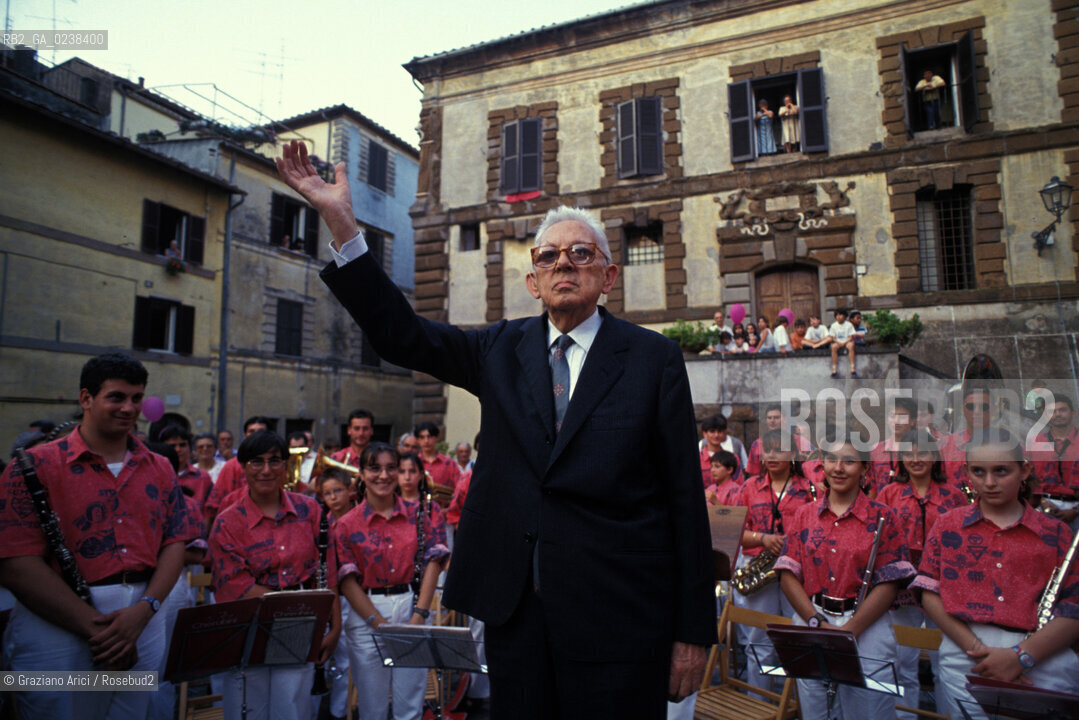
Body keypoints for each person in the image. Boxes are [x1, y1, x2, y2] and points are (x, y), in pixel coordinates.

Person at [279, 138, 714, 719]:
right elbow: (400, 335)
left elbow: (685, 498)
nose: (564, 264)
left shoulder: (652, 359)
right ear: (533, 281)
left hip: (620, 614)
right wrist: (341, 224)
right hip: (518, 611)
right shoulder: (498, 349)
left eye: (582, 255)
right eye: (549, 256)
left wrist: (692, 631)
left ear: (608, 275)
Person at [0, 353, 195, 720]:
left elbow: (174, 543)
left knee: (134, 714)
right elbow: (14, 564)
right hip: (57, 625)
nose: (129, 408)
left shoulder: (162, 466)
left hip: (142, 620)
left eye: (137, 398)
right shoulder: (33, 466)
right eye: (117, 397)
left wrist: (144, 611)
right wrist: (99, 631)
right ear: (85, 398)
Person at [912, 427, 1079, 719]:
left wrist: (1022, 657)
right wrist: (976, 648)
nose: (989, 483)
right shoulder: (948, 525)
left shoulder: (1057, 533)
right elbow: (929, 591)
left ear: (1024, 469)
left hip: (1041, 657)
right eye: (978, 472)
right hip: (966, 654)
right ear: (966, 472)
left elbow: (1074, 607)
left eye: (1001, 471)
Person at [775, 433, 915, 720]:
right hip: (813, 620)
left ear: (865, 468)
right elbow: (788, 574)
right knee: (816, 711)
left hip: (866, 625)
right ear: (822, 464)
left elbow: (888, 584)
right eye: (831, 459)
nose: (839, 468)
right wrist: (817, 622)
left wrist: (850, 629)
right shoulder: (804, 515)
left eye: (849, 461)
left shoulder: (885, 517)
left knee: (868, 713)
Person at [208, 430, 340, 720]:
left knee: (292, 709)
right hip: (249, 625)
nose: (266, 470)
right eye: (257, 462)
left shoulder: (311, 510)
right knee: (249, 710)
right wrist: (298, 604)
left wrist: (335, 625)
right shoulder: (227, 522)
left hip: (301, 624)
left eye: (274, 461)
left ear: (285, 466)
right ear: (242, 466)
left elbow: (327, 571)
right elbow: (235, 587)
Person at [333, 443, 449, 720]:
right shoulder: (346, 524)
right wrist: (379, 624)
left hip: (412, 607)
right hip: (367, 614)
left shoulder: (419, 514)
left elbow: (434, 561)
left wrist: (420, 615)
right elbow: (347, 581)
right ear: (360, 473)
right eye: (374, 468)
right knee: (372, 709)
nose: (383, 476)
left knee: (409, 706)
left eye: (390, 468)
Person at [876, 429, 968, 718]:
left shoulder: (954, 496)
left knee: (947, 663)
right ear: (901, 458)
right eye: (909, 453)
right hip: (902, 589)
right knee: (903, 662)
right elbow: (880, 541)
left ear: (935, 457)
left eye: (923, 452)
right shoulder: (888, 494)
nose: (916, 459)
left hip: (943, 588)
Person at [731, 429, 818, 697]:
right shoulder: (748, 487)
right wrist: (762, 538)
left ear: (792, 454)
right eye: (766, 450)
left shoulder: (809, 490)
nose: (771, 456)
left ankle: (800, 705)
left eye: (779, 449)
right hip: (762, 571)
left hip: (799, 573)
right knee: (760, 642)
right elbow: (734, 531)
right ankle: (758, 704)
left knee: (802, 640)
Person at [318, 467, 356, 720]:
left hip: (353, 596)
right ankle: (333, 709)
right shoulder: (322, 524)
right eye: (327, 493)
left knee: (348, 656)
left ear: (350, 491)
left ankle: (342, 709)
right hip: (331, 596)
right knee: (333, 654)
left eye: (337, 491)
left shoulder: (358, 520)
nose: (333, 498)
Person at [204, 416, 271, 521]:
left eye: (261, 431)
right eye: (252, 431)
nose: (256, 435)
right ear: (245, 436)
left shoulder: (277, 466)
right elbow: (214, 505)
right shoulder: (231, 466)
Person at [1027, 396, 1079, 530]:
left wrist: (1076, 510)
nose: (1058, 414)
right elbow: (1031, 477)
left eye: (1062, 410)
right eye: (1052, 411)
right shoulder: (1035, 442)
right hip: (1046, 505)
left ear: (1073, 413)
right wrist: (1043, 502)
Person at [865, 397, 916, 496]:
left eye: (902, 416)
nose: (896, 421)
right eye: (892, 416)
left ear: (912, 421)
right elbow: (872, 488)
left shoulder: (921, 451)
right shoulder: (876, 450)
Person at [161, 425, 213, 510]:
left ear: (189, 447)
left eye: (182, 445)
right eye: (173, 446)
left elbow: (208, 513)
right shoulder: (158, 477)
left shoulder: (203, 477)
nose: (178, 449)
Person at [699, 413, 748, 483]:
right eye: (712, 431)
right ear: (705, 434)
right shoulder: (697, 459)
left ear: (725, 433)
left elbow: (739, 485)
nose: (716, 435)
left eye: (719, 431)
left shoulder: (733, 458)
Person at [827, 308, 857, 378]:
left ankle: (852, 367)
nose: (838, 317)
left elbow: (851, 337)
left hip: (847, 341)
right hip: (838, 342)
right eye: (837, 315)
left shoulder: (849, 325)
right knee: (833, 347)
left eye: (840, 315)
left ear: (844, 316)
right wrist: (838, 342)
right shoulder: (833, 325)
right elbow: (833, 337)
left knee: (851, 346)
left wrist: (845, 342)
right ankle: (834, 368)